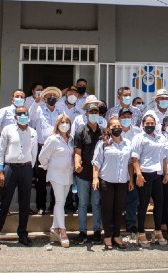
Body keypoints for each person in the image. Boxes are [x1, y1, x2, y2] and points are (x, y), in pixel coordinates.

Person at [0, 106, 38, 248]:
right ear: (15, 116)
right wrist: (1, 170)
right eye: (20, 114)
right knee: (3, 204)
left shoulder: (33, 132)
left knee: (25, 204)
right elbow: (1, 151)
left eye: (25, 113)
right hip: (10, 169)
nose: (23, 115)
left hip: (26, 169)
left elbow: (34, 153)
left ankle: (22, 234)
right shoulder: (8, 130)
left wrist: (29, 168)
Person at [92, 117, 134, 250]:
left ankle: (116, 236)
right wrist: (95, 178)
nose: (117, 128)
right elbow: (96, 162)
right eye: (114, 126)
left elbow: (130, 163)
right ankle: (108, 237)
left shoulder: (127, 143)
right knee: (107, 209)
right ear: (109, 129)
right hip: (107, 181)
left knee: (119, 209)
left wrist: (131, 179)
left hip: (122, 181)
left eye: (119, 126)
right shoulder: (103, 143)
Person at [132, 114, 168, 247]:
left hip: (157, 174)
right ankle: (141, 232)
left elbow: (163, 156)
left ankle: (157, 231)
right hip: (144, 175)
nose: (149, 125)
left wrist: (166, 173)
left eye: (152, 123)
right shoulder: (139, 138)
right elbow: (135, 158)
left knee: (159, 203)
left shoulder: (160, 138)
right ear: (143, 124)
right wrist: (139, 175)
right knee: (143, 204)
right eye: (147, 123)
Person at [38, 115, 74, 248]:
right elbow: (42, 157)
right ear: (57, 124)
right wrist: (49, 167)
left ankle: (54, 228)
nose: (65, 124)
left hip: (68, 175)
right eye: (62, 122)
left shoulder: (71, 139)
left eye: (67, 122)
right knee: (59, 202)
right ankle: (62, 232)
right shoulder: (53, 139)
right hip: (56, 175)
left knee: (61, 202)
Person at [29, 86, 63, 215]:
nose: (52, 98)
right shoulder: (38, 109)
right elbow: (30, 116)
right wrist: (36, 102)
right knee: (41, 179)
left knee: (55, 178)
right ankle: (41, 206)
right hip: (42, 147)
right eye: (49, 96)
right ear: (44, 98)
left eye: (54, 96)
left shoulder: (60, 111)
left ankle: (54, 205)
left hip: (56, 148)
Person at [73, 102, 103, 245]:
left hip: (98, 175)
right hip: (83, 175)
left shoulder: (103, 132)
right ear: (86, 115)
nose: (93, 115)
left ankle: (97, 231)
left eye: (96, 112)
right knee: (83, 203)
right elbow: (77, 152)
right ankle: (82, 232)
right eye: (91, 113)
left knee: (96, 204)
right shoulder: (80, 131)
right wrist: (77, 163)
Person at [119, 107, 143, 240]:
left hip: (133, 168)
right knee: (118, 198)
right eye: (124, 117)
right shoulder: (115, 131)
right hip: (118, 169)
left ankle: (131, 223)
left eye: (129, 116)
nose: (126, 119)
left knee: (133, 197)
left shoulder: (137, 131)